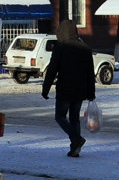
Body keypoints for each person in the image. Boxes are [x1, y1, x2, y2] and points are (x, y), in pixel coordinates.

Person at [41, 19, 95, 157]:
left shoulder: (61, 47)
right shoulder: (85, 48)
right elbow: (90, 72)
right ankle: (75, 149)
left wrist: (45, 88)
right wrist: (91, 92)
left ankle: (76, 139)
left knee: (60, 117)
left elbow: (52, 69)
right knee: (74, 118)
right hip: (80, 90)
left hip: (65, 89)